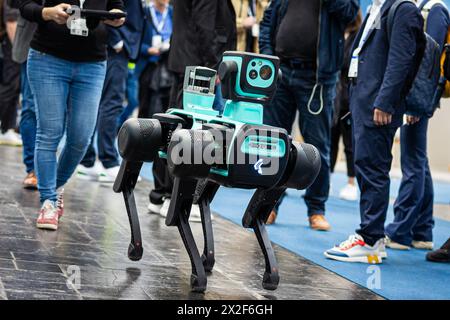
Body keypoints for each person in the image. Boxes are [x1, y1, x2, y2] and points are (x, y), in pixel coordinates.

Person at [325, 0, 425, 264]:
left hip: (378, 103)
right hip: (363, 99)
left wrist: (385, 101)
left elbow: (401, 59)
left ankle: (370, 239)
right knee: (366, 165)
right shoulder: (376, 7)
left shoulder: (403, 9)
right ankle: (372, 237)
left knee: (373, 169)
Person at [18, 0, 125, 231]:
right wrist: (47, 13)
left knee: (81, 137)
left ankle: (54, 188)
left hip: (93, 64)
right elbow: (24, 5)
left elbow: (117, 7)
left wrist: (115, 17)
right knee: (49, 133)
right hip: (47, 58)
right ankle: (48, 201)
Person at [259, 0, 360, 229]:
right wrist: (268, 57)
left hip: (317, 79)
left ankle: (316, 209)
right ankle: (268, 206)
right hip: (281, 73)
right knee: (273, 143)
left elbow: (350, 13)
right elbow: (268, 21)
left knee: (318, 147)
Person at [147, 0, 236, 220]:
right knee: (190, 130)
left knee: (176, 126)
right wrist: (214, 67)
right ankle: (176, 198)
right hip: (197, 66)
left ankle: (162, 194)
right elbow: (204, 26)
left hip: (187, 61)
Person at [385, 0, 449, 251]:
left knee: (412, 161)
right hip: (416, 95)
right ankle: (423, 231)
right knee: (419, 160)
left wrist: (418, 103)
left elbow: (429, 59)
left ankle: (400, 231)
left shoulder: (435, 9)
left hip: (419, 97)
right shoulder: (426, 7)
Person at [77, 0, 146, 183]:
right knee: (111, 103)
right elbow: (105, 9)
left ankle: (88, 160)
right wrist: (117, 41)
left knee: (102, 103)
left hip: (117, 47)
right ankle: (107, 161)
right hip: (115, 48)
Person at [330, 10, 363, 202]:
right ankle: (328, 178)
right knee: (331, 141)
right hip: (333, 96)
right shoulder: (336, 33)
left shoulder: (357, 36)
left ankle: (351, 182)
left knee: (350, 144)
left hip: (348, 99)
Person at [8, 0, 39, 189]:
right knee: (30, 107)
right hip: (31, 43)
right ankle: (33, 168)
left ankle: (51, 167)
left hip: (68, 47)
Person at [138, 0, 172, 119]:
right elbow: (135, 41)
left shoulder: (172, 13)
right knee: (144, 106)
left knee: (165, 107)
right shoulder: (146, 12)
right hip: (147, 65)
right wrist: (148, 50)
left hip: (167, 68)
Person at [0, 0, 22, 147]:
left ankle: (7, 128)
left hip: (13, 44)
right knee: (9, 85)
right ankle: (3, 126)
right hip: (11, 44)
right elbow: (11, 22)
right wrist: (18, 50)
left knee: (14, 87)